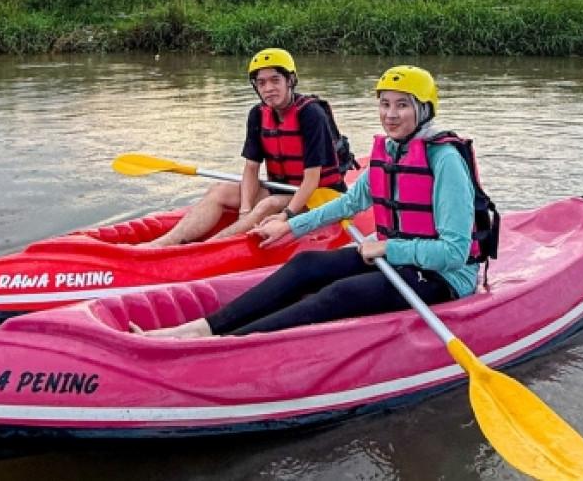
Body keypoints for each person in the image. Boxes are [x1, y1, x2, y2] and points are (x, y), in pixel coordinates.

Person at [136, 65, 500, 337]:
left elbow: (453, 252)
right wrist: (289, 226)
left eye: (402, 105)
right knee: (307, 265)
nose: (390, 114)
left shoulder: (444, 160)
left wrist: (390, 248)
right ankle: (202, 329)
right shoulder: (391, 151)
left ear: (424, 109)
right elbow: (345, 205)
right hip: (394, 254)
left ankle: (227, 344)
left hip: (445, 275)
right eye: (385, 104)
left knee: (341, 293)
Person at [141, 48, 354, 247]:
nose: (268, 88)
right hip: (282, 188)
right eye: (261, 83)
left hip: (319, 194)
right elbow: (251, 168)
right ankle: (161, 244)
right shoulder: (258, 114)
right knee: (219, 191)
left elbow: (312, 179)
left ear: (290, 80)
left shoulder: (311, 115)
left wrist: (286, 215)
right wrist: (244, 210)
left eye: (275, 80)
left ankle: (205, 249)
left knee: (267, 205)